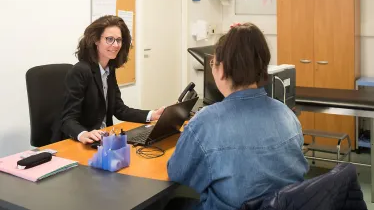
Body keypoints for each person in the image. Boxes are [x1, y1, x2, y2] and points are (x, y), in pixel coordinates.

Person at [166, 23, 309, 210]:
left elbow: (177, 173)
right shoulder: (287, 115)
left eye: (213, 63)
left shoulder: (206, 122)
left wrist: (191, 133)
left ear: (222, 69)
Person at [51, 15, 164, 144]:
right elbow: (68, 119)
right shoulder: (80, 71)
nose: (115, 45)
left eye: (119, 40)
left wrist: (152, 115)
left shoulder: (109, 69)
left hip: (104, 140)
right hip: (81, 142)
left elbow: (119, 109)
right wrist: (83, 134)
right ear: (96, 40)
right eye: (109, 39)